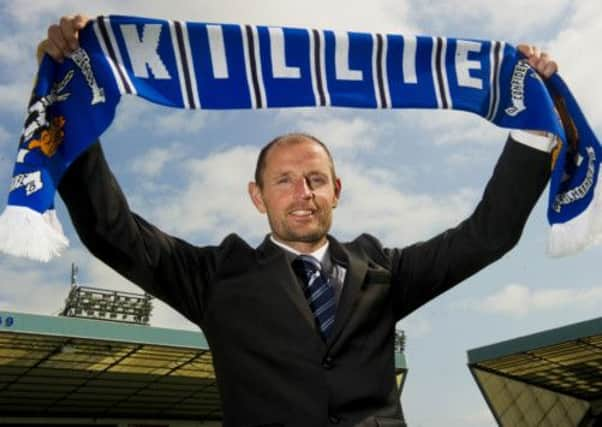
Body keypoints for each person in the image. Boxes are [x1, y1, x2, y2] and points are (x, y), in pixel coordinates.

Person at [43, 14, 558, 427]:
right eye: (284, 180)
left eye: (314, 179)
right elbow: (113, 231)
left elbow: (486, 234)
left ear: (336, 190)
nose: (302, 193)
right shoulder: (215, 276)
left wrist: (534, 124)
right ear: (257, 196)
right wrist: (73, 100)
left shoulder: (383, 270)